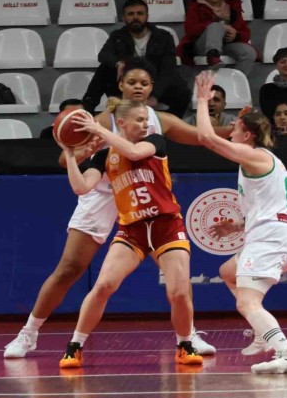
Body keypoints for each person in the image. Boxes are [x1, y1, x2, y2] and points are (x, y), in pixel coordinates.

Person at [3, 58, 217, 359]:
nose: (138, 87)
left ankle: (188, 335)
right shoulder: (102, 121)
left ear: (151, 88)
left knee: (176, 274)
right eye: (132, 82)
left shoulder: (156, 123)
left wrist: (235, 128)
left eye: (144, 83)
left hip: (142, 195)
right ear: (120, 85)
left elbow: (200, 137)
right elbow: (68, 161)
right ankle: (29, 332)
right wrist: (79, 150)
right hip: (104, 190)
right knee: (69, 268)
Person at [56, 98, 202, 368]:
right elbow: (81, 187)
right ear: (122, 123)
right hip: (132, 229)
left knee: (179, 292)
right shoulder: (104, 157)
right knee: (103, 286)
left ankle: (185, 344)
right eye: (140, 120)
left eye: (147, 119)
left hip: (166, 226)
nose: (146, 124)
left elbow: (134, 153)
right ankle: (75, 346)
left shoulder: (155, 141)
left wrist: (99, 130)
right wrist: (70, 154)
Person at [193, 71, 287, 374]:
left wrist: (202, 101)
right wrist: (234, 227)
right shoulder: (263, 159)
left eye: (235, 128)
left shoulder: (253, 156)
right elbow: (267, 205)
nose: (230, 131)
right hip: (283, 233)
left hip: (272, 237)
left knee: (247, 303)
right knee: (227, 271)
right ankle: (262, 332)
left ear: (247, 135)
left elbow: (205, 137)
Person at [82, 0, 191, 118]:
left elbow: (168, 67)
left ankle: (166, 125)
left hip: (155, 82)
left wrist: (154, 95)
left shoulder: (163, 37)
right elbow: (103, 55)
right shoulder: (117, 35)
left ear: (147, 16)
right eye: (130, 14)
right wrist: (118, 63)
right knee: (104, 69)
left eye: (140, 13)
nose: (135, 17)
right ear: (124, 18)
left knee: (183, 92)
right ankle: (86, 116)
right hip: (127, 83)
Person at [177, 0, 259, 74]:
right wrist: (217, 26)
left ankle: (235, 79)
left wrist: (236, 35)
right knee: (215, 26)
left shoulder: (232, 6)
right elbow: (190, 30)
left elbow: (245, 32)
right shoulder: (196, 6)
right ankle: (212, 55)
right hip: (202, 45)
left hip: (225, 44)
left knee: (249, 52)